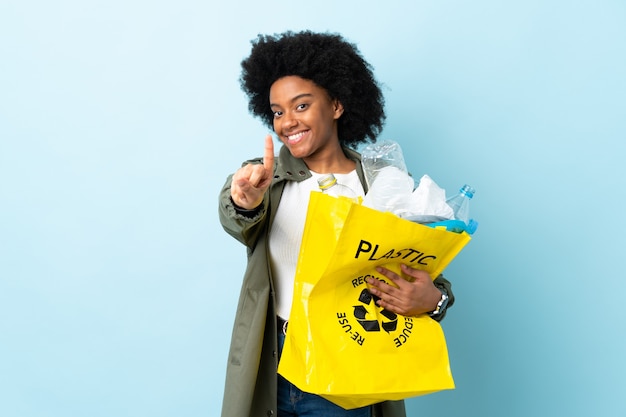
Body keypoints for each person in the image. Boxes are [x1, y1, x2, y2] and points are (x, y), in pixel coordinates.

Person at [218, 30, 454, 417]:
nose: (287, 122)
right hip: (270, 363)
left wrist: (436, 300)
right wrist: (242, 201)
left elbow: (423, 265)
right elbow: (237, 211)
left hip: (345, 366)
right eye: (278, 111)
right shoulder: (267, 179)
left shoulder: (382, 183)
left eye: (301, 105)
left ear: (337, 105)